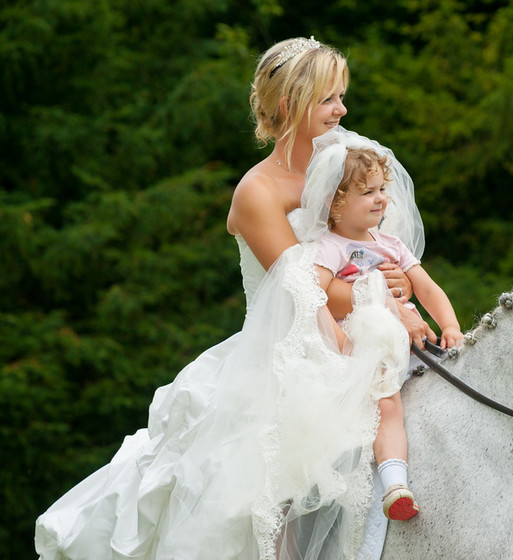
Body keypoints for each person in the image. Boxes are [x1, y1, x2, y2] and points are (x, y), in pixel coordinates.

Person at [34, 37, 437, 560]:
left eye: (342, 96)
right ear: (290, 106)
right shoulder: (258, 192)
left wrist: (401, 285)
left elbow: (382, 248)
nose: (342, 109)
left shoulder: (350, 165)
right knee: (286, 479)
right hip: (288, 352)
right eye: (328, 99)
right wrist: (383, 300)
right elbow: (306, 289)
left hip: (367, 334)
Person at [306, 142, 464, 522]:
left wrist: (451, 326)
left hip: (411, 342)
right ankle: (395, 484)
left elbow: (426, 288)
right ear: (334, 203)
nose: (380, 200)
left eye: (381, 190)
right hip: (367, 347)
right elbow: (314, 297)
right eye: (367, 193)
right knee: (387, 404)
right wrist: (342, 346)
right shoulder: (328, 248)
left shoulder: (392, 244)